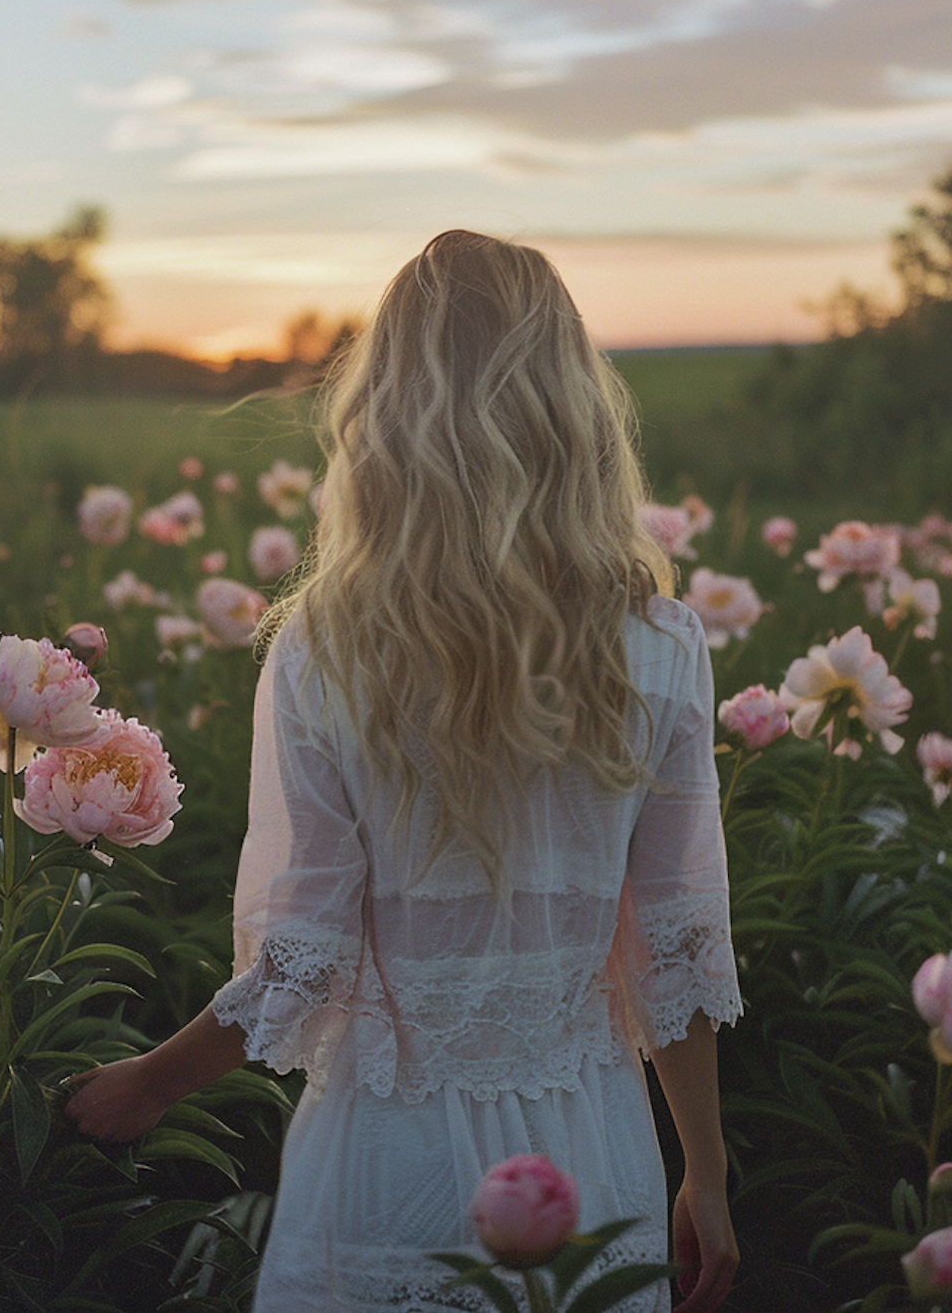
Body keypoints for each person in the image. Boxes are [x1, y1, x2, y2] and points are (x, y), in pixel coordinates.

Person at [64, 230, 742, 1312]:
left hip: (388, 1158)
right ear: (574, 408)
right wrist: (704, 1173)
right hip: (591, 1162)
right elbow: (679, 949)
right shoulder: (660, 647)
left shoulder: (327, 647)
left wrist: (148, 1086)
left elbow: (304, 959)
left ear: (386, 410)